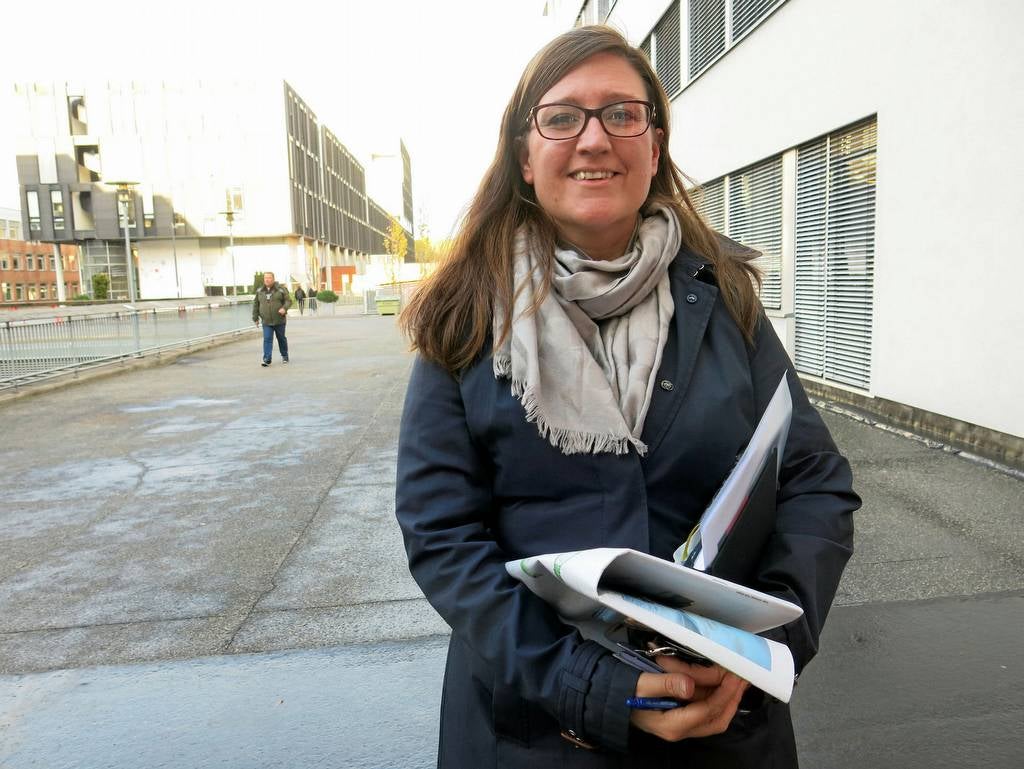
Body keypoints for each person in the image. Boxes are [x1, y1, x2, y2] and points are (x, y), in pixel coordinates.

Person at [395, 25, 859, 768]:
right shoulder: (465, 317)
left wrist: (765, 647)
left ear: (654, 145)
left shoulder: (724, 296)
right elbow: (442, 535)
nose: (594, 138)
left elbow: (814, 478)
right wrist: (590, 685)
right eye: (561, 117)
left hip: (725, 723)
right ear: (524, 156)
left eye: (622, 113)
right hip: (535, 731)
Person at [252, 271, 291, 366]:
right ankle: (267, 358)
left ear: (273, 279)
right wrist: (255, 318)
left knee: (281, 338)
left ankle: (284, 355)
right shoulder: (259, 291)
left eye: (269, 278)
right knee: (267, 339)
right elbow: (256, 304)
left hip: (279, 320)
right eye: (265, 278)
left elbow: (288, 301)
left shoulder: (281, 289)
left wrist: (284, 308)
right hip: (266, 321)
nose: (267, 279)